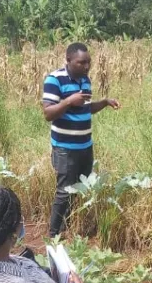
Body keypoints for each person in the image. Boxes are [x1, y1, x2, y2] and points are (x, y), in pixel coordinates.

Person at [42, 42, 121, 238]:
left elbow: (85, 108)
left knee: (80, 188)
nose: (86, 67)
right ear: (68, 60)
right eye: (81, 63)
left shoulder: (85, 80)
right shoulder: (55, 79)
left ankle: (69, 227)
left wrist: (103, 102)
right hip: (65, 148)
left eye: (89, 62)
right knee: (64, 192)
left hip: (85, 145)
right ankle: (54, 236)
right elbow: (48, 113)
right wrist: (68, 101)